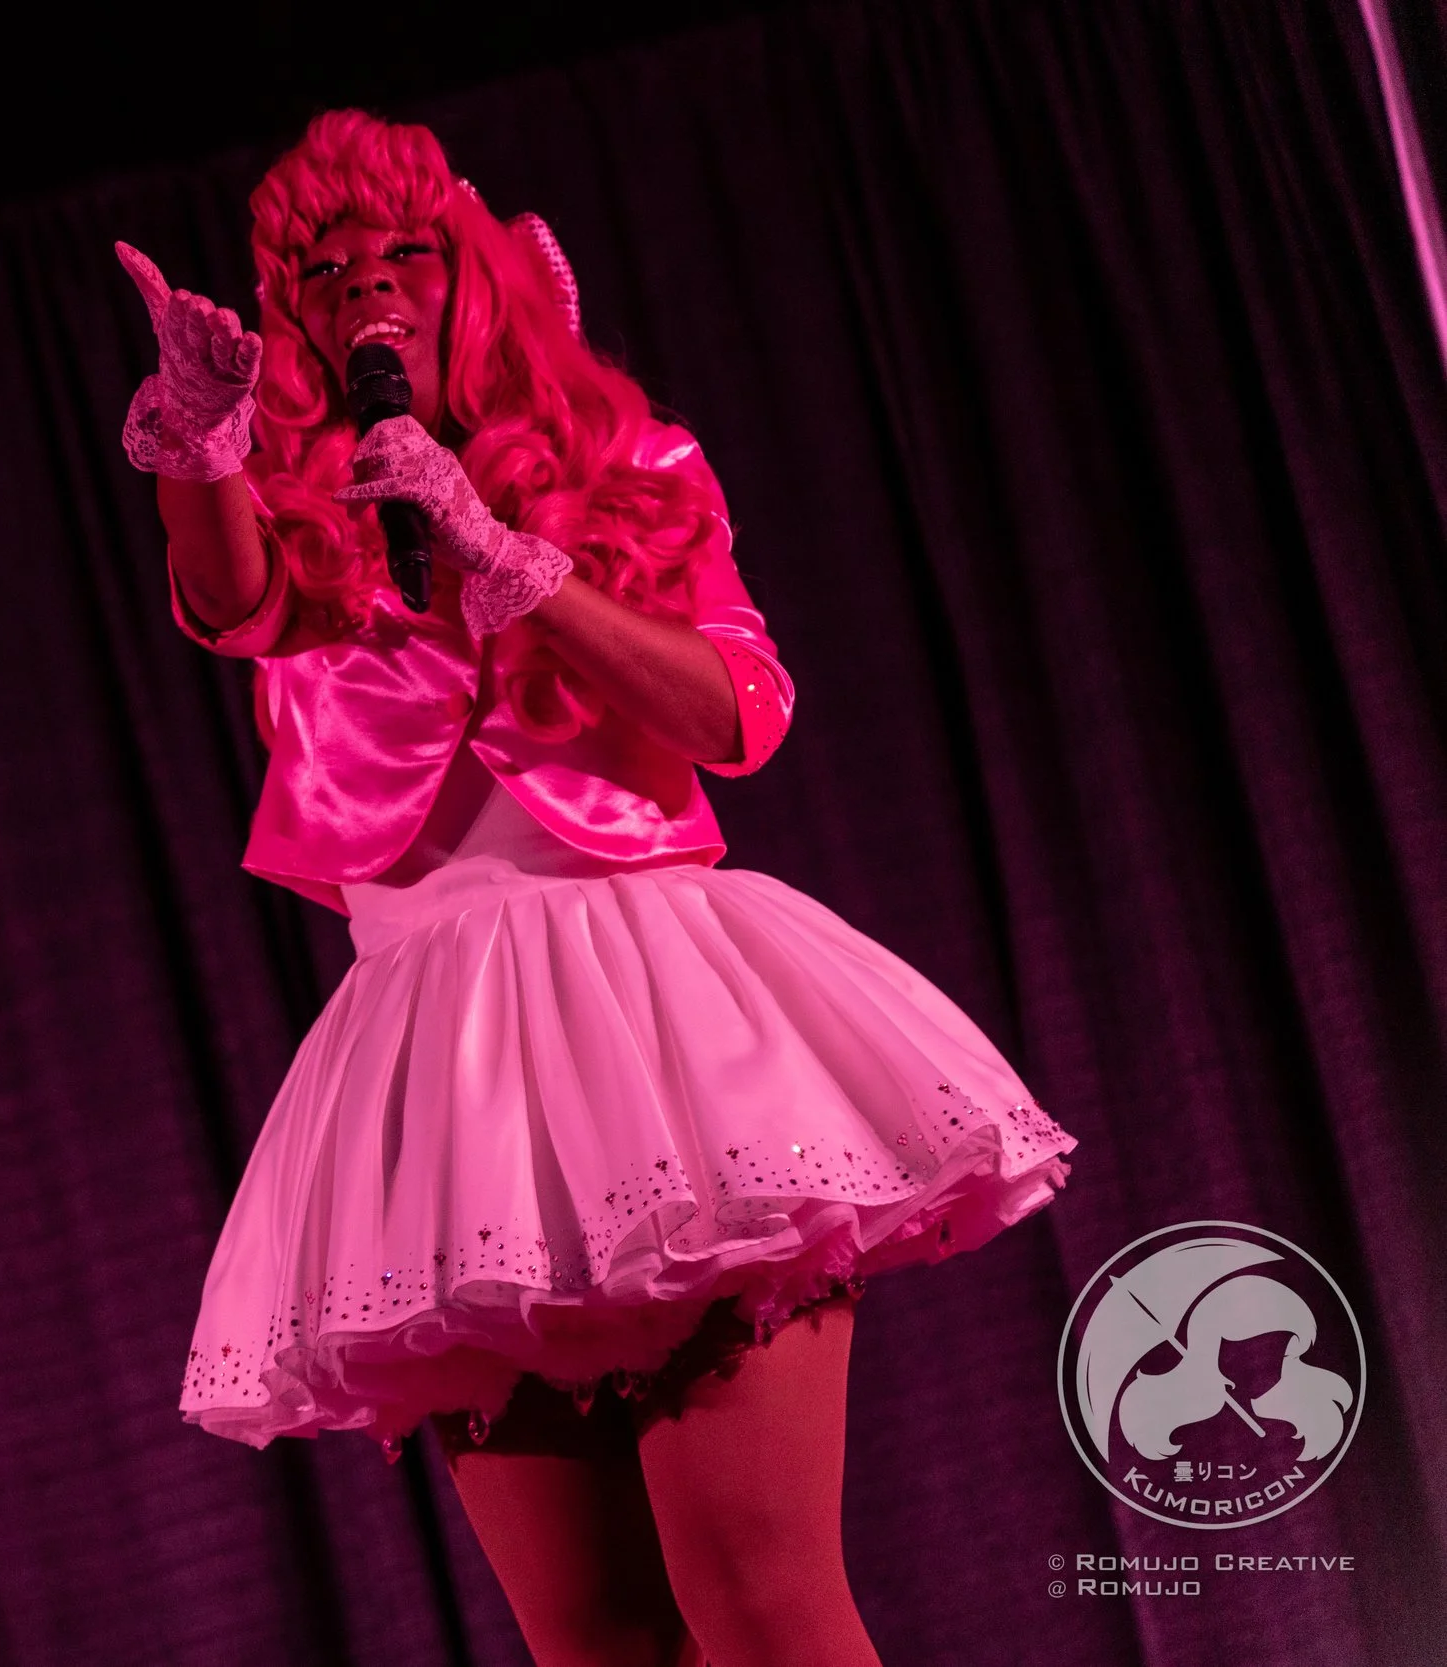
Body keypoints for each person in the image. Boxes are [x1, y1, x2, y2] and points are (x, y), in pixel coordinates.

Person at [119, 110, 1075, 1667]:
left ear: (473, 270)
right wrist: (202, 452)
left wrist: (513, 562)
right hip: (451, 1078)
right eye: (330, 266)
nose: (370, 288)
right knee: (598, 1642)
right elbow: (231, 602)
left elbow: (739, 714)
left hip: (656, 1028)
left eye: (404, 254)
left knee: (762, 1603)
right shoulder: (307, 509)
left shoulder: (623, 462)